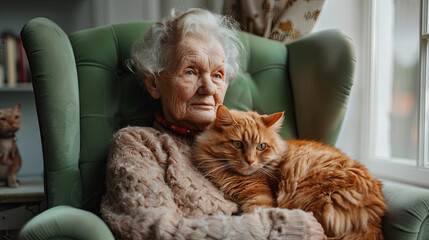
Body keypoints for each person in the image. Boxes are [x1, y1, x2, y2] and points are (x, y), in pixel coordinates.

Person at [100, 8, 326, 240]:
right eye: (190, 71)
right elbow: (153, 231)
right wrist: (276, 227)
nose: (209, 88)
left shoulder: (255, 147)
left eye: (218, 75)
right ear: (154, 84)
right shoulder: (138, 145)